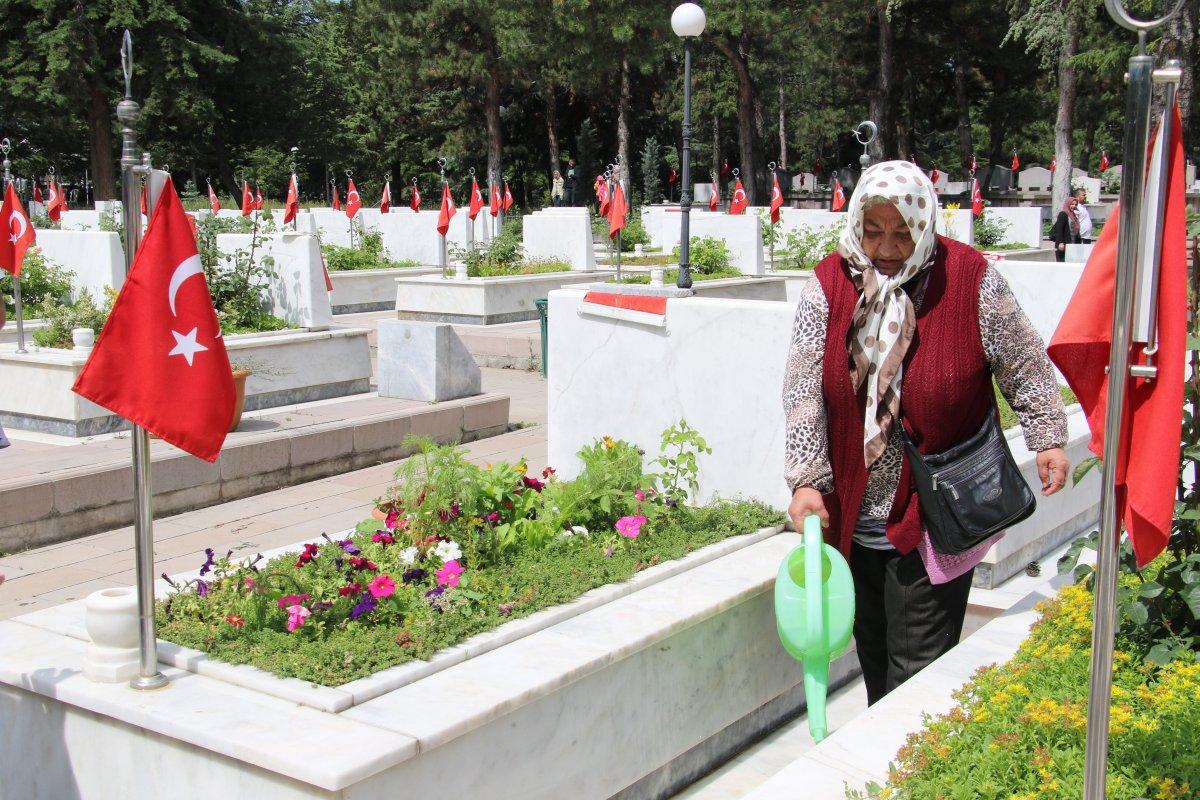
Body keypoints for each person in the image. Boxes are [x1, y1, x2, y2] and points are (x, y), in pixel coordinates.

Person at [783, 160, 1069, 706]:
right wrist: (806, 479)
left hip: (936, 512)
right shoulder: (828, 285)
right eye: (873, 231)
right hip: (852, 513)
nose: (887, 247)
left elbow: (1023, 362)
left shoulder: (969, 279)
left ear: (925, 225)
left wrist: (1047, 434)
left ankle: (909, 755)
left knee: (916, 672)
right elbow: (803, 390)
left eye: (903, 232)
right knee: (874, 655)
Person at [1049, 195, 1083, 261]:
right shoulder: (1063, 214)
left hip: (1072, 244)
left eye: (1075, 204)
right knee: (1063, 262)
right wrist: (1060, 243)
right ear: (1068, 204)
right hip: (1063, 244)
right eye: (1072, 204)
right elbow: (1059, 229)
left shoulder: (1074, 215)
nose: (1074, 206)